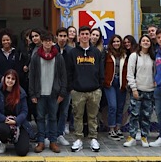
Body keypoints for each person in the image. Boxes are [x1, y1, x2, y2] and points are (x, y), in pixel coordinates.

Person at [66, 25, 103, 153]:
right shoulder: (72, 53)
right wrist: (71, 88)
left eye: (87, 34)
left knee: (93, 117)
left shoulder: (96, 52)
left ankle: (93, 138)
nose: (85, 36)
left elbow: (101, 71)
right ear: (79, 36)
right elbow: (69, 72)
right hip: (78, 91)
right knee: (78, 116)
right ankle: (78, 139)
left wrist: (99, 86)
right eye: (82, 34)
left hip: (94, 90)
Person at [28, 32, 66, 153]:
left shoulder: (58, 57)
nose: (48, 43)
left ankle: (53, 142)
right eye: (45, 41)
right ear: (42, 42)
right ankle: (41, 142)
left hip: (54, 93)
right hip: (40, 93)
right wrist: (32, 94)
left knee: (53, 118)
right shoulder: (36, 57)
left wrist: (62, 93)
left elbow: (63, 76)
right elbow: (32, 76)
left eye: (50, 41)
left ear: (52, 41)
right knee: (40, 118)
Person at [124, 34, 155, 148]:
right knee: (134, 114)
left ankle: (144, 136)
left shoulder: (153, 56)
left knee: (146, 115)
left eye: (148, 41)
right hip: (137, 90)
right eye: (143, 40)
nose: (146, 42)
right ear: (140, 43)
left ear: (150, 43)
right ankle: (132, 137)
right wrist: (134, 88)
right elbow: (130, 74)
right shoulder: (134, 56)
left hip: (150, 90)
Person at [0, 69, 30, 156]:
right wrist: (4, 119)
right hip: (3, 121)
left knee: (22, 152)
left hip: (19, 123)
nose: (10, 80)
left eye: (13, 79)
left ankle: (15, 140)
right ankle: (4, 142)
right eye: (8, 78)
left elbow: (24, 111)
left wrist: (16, 121)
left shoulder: (21, 93)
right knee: (1, 130)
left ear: (16, 81)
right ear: (4, 78)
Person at [104, 34, 128, 140]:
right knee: (112, 106)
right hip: (110, 83)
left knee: (120, 107)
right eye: (114, 42)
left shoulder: (125, 55)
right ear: (111, 43)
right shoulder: (107, 54)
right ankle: (111, 129)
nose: (116, 43)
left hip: (122, 83)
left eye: (118, 41)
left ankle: (118, 128)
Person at [55, 27, 72, 145]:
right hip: (53, 88)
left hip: (67, 87)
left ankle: (60, 134)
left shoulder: (71, 51)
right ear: (56, 37)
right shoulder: (51, 50)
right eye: (60, 36)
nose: (62, 38)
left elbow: (73, 71)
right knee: (52, 111)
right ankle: (50, 134)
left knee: (64, 112)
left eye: (64, 36)